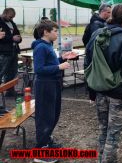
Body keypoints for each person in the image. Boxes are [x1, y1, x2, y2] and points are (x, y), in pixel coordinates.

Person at [84, 4, 122, 163]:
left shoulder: (97, 34)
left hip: (100, 90)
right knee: (114, 134)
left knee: (103, 130)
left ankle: (100, 159)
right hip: (120, 92)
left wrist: (91, 90)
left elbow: (88, 63)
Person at [32, 20, 72, 154]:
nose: (57, 33)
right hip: (45, 85)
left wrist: (60, 59)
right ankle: (41, 149)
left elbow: (49, 63)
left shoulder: (48, 45)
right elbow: (38, 69)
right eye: (55, 31)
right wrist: (58, 67)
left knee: (53, 114)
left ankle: (46, 140)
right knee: (45, 116)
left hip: (53, 83)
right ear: (45, 32)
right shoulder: (41, 47)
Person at [0, 8, 22, 96]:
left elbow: (17, 34)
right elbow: (2, 37)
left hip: (13, 50)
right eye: (10, 16)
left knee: (12, 71)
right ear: (5, 13)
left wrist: (19, 38)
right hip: (4, 51)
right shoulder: (0, 22)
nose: (11, 18)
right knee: (2, 71)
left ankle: (9, 91)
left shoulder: (12, 23)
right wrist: (12, 38)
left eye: (13, 17)